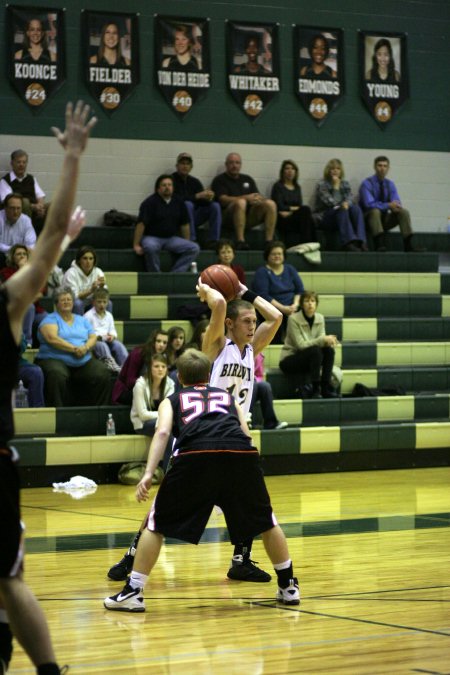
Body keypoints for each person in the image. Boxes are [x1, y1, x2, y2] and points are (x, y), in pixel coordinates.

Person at [0, 99, 96, 675]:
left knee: (9, 582)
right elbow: (56, 232)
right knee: (8, 582)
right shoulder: (10, 303)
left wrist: (71, 162)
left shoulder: (10, 302)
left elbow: (55, 229)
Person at [104, 348, 299, 613]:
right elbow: (246, 434)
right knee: (267, 521)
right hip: (240, 454)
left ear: (179, 376)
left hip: (196, 455)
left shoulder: (172, 399)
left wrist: (148, 474)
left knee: (156, 523)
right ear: (209, 375)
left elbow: (162, 433)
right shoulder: (227, 398)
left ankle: (133, 591)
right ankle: (288, 586)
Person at [198, 276, 283, 582]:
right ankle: (133, 554)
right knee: (172, 500)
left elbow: (277, 317)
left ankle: (240, 560)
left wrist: (248, 291)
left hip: (236, 436)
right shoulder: (218, 346)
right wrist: (212, 292)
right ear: (230, 324)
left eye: (253, 321)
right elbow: (219, 308)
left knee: (249, 499)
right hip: (208, 434)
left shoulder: (252, 350)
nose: (252, 325)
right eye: (246, 321)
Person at [35, 286, 111, 407]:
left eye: (69, 299)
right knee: (57, 374)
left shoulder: (82, 320)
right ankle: (60, 415)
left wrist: (85, 348)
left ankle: (100, 414)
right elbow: (52, 339)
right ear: (56, 303)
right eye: (63, 300)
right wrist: (74, 349)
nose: (67, 302)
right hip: (54, 359)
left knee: (102, 372)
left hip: (83, 360)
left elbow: (93, 337)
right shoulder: (49, 319)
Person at [133, 174, 200, 272]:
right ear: (158, 188)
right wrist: (136, 244)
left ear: (173, 187)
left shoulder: (179, 202)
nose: (167, 187)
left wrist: (187, 241)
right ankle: (155, 276)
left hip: (171, 238)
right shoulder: (149, 203)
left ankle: (176, 274)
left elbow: (185, 224)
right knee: (150, 247)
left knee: (194, 248)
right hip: (152, 237)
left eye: (169, 185)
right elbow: (141, 224)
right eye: (164, 185)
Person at [279, 291, 338, 399]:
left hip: (311, 357)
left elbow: (321, 341)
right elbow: (300, 345)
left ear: (316, 304)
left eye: (313, 301)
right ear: (301, 304)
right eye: (306, 301)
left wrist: (328, 341)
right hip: (290, 359)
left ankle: (325, 387)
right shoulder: (293, 319)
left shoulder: (320, 318)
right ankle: (315, 389)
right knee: (315, 350)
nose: (310, 303)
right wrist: (323, 339)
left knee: (329, 350)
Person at [211, 153, 276, 250]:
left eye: (237, 163)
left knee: (271, 204)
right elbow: (223, 200)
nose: (234, 165)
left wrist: (257, 200)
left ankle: (269, 242)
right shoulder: (220, 180)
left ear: (241, 165)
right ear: (226, 164)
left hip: (247, 216)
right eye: (231, 163)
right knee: (241, 202)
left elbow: (256, 195)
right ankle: (240, 241)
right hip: (228, 218)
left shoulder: (247, 179)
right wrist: (246, 198)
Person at [359, 156, 423, 252]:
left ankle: (408, 245)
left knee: (404, 212)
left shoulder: (390, 184)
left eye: (385, 166)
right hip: (368, 220)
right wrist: (388, 205)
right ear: (375, 167)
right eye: (379, 165)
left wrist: (396, 207)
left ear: (388, 168)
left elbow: (396, 201)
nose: (382, 168)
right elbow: (369, 204)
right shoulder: (367, 183)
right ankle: (379, 245)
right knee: (375, 211)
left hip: (384, 219)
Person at [252, 241, 304, 344]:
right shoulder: (262, 272)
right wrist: (283, 309)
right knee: (276, 316)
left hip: (291, 306)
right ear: (267, 255)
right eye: (273, 254)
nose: (277, 256)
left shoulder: (290, 269)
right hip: (272, 307)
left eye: (279, 254)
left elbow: (300, 290)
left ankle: (301, 342)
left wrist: (295, 305)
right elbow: (264, 296)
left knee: (305, 308)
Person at [130, 353, 175, 470]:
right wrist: (163, 416)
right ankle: (167, 472)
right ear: (150, 368)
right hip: (142, 424)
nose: (160, 369)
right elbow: (143, 415)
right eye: (156, 366)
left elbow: (170, 411)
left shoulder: (170, 384)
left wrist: (163, 418)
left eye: (163, 366)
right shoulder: (140, 385)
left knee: (173, 431)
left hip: (160, 423)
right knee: (169, 434)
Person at [315, 159, 368, 251]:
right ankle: (348, 242)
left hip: (343, 215)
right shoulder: (322, 184)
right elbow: (332, 204)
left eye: (338, 168)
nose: (335, 171)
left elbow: (350, 197)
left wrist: (347, 203)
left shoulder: (345, 184)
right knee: (340, 209)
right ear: (328, 171)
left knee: (356, 208)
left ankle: (361, 241)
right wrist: (335, 187)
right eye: (332, 168)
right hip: (326, 217)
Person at [171, 152, 221, 248]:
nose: (185, 166)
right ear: (177, 166)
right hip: (177, 218)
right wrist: (196, 196)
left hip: (194, 217)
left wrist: (209, 196)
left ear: (191, 167)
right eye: (182, 163)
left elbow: (202, 202)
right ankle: (191, 239)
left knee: (215, 205)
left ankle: (214, 240)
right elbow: (176, 200)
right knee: (188, 204)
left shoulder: (194, 182)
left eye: (187, 164)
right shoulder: (171, 180)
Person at [0, 244, 47, 347]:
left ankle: (45, 349)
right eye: (18, 254)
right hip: (14, 310)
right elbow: (13, 293)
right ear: (12, 257)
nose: (22, 256)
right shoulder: (6, 272)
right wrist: (22, 269)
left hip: (36, 309)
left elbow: (39, 293)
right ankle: (26, 344)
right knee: (29, 307)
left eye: (24, 254)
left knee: (47, 319)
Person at [112, 329, 168, 405]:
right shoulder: (138, 353)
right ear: (152, 341)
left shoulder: (164, 356)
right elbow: (129, 382)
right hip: (125, 391)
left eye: (165, 343)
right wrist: (150, 381)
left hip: (148, 390)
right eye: (158, 341)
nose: (161, 345)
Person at [271, 160, 318, 246]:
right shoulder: (278, 186)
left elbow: (299, 206)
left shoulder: (297, 187)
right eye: (287, 168)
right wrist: (293, 209)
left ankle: (311, 243)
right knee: (306, 211)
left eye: (292, 169)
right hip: (282, 220)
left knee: (307, 212)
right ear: (283, 172)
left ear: (295, 172)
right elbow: (279, 206)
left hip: (292, 216)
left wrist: (289, 210)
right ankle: (309, 243)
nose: (290, 171)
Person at [0, 150, 48, 231]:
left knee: (55, 204)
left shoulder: (31, 178)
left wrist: (40, 206)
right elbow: (9, 202)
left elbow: (40, 196)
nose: (21, 165)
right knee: (24, 202)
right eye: (18, 162)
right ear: (12, 163)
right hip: (17, 214)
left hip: (35, 211)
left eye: (24, 162)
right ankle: (26, 233)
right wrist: (33, 207)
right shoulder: (5, 181)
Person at [84, 288, 128, 373]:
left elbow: (112, 329)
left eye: (104, 302)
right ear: (93, 302)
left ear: (108, 303)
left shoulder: (109, 315)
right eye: (99, 302)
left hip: (107, 339)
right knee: (102, 345)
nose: (102, 305)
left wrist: (112, 336)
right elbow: (86, 334)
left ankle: (126, 365)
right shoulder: (88, 316)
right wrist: (97, 337)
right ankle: (111, 365)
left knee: (118, 345)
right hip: (95, 341)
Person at [63, 245, 109, 315]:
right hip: (73, 304)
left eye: (91, 259)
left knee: (108, 303)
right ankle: (79, 325)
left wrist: (102, 287)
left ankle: (104, 324)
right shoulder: (71, 273)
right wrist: (91, 290)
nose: (88, 262)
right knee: (78, 303)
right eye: (85, 258)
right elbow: (73, 297)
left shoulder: (98, 272)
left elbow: (104, 295)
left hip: (91, 302)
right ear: (79, 260)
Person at [251, 352, 288, 430]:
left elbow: (259, 375)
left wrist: (253, 380)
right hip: (236, 386)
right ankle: (244, 420)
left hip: (251, 385)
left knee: (265, 386)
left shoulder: (258, 353)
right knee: (252, 385)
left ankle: (271, 423)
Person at [0, 194, 36, 266]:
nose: (16, 212)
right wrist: (14, 250)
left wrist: (21, 252)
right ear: (5, 208)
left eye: (18, 208)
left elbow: (31, 244)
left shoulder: (26, 220)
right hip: (2, 256)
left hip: (20, 257)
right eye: (12, 208)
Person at [18, 334, 45, 407]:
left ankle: (37, 411)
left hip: (17, 364)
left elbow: (22, 348)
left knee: (35, 372)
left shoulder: (14, 326)